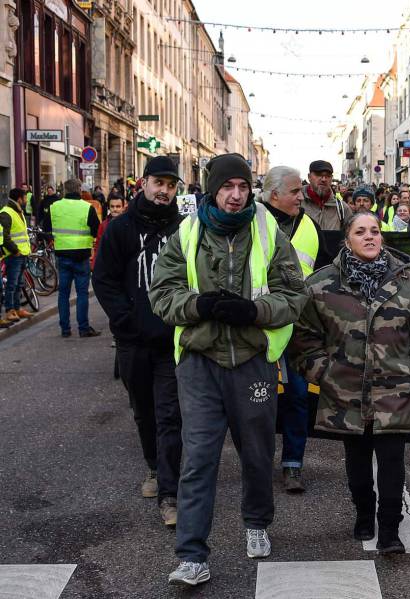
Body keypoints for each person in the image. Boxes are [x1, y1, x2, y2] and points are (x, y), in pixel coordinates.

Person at [149, 153, 308, 586]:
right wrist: (197, 305)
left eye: (242, 187)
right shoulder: (187, 233)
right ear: (213, 190)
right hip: (200, 362)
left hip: (252, 362)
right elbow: (162, 293)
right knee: (198, 458)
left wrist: (254, 311)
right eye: (227, 188)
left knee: (256, 452)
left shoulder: (267, 230)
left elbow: (295, 295)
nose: (236, 196)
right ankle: (192, 555)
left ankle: (256, 521)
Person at [290, 211, 410, 553]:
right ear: (347, 240)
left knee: (392, 462)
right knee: (357, 464)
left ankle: (390, 530)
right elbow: (303, 340)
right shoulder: (320, 285)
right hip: (346, 395)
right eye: (361, 232)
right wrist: (325, 374)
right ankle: (363, 513)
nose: (370, 236)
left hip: (396, 393)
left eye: (375, 230)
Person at [93, 156, 184, 527]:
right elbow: (104, 280)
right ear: (143, 183)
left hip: (172, 341)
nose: (164, 191)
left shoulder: (184, 228)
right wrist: (125, 320)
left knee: (170, 415)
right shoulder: (121, 228)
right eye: (158, 183)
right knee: (143, 411)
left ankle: (169, 492)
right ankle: (153, 466)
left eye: (171, 185)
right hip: (133, 341)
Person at [260, 165, 321, 493]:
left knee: (298, 396)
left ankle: (292, 465)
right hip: (260, 325)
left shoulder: (310, 226)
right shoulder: (251, 224)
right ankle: (258, 461)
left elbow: (324, 272)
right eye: (296, 191)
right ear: (274, 195)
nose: (302, 196)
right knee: (260, 398)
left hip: (298, 327)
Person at [41, 178, 101, 338]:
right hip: (81, 255)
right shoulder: (87, 207)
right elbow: (96, 230)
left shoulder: (55, 207)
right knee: (82, 293)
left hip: (62, 254)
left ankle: (65, 329)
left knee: (63, 294)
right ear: (79, 189)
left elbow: (46, 228)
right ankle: (83, 328)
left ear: (65, 191)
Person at [0, 189, 33, 323]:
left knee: (19, 283)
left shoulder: (18, 211)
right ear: (20, 198)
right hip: (14, 255)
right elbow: (4, 237)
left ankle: (17, 308)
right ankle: (9, 311)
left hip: (22, 253)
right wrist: (15, 251)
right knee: (12, 284)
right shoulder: (6, 213)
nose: (26, 200)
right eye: (25, 197)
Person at [302, 160, 347, 231]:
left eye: (327, 176)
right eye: (318, 175)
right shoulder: (297, 204)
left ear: (331, 178)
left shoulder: (342, 208)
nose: (323, 179)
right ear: (309, 177)